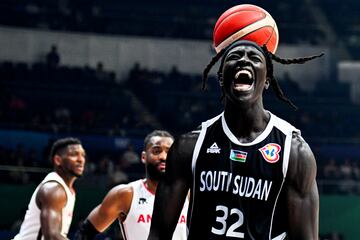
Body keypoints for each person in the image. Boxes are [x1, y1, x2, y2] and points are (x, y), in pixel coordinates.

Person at [147, 8, 322, 240]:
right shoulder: (190, 146)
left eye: (254, 58)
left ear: (267, 79)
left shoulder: (295, 152)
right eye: (234, 57)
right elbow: (158, 234)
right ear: (221, 78)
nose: (243, 61)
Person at [74, 130, 188, 240]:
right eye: (156, 151)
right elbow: (85, 232)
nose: (163, 157)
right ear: (144, 157)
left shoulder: (188, 194)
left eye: (169, 152)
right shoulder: (125, 194)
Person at [13, 137, 86, 240]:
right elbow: (51, 237)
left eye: (83, 155)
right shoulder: (53, 189)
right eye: (74, 154)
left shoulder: (68, 190)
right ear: (58, 160)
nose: (80, 159)